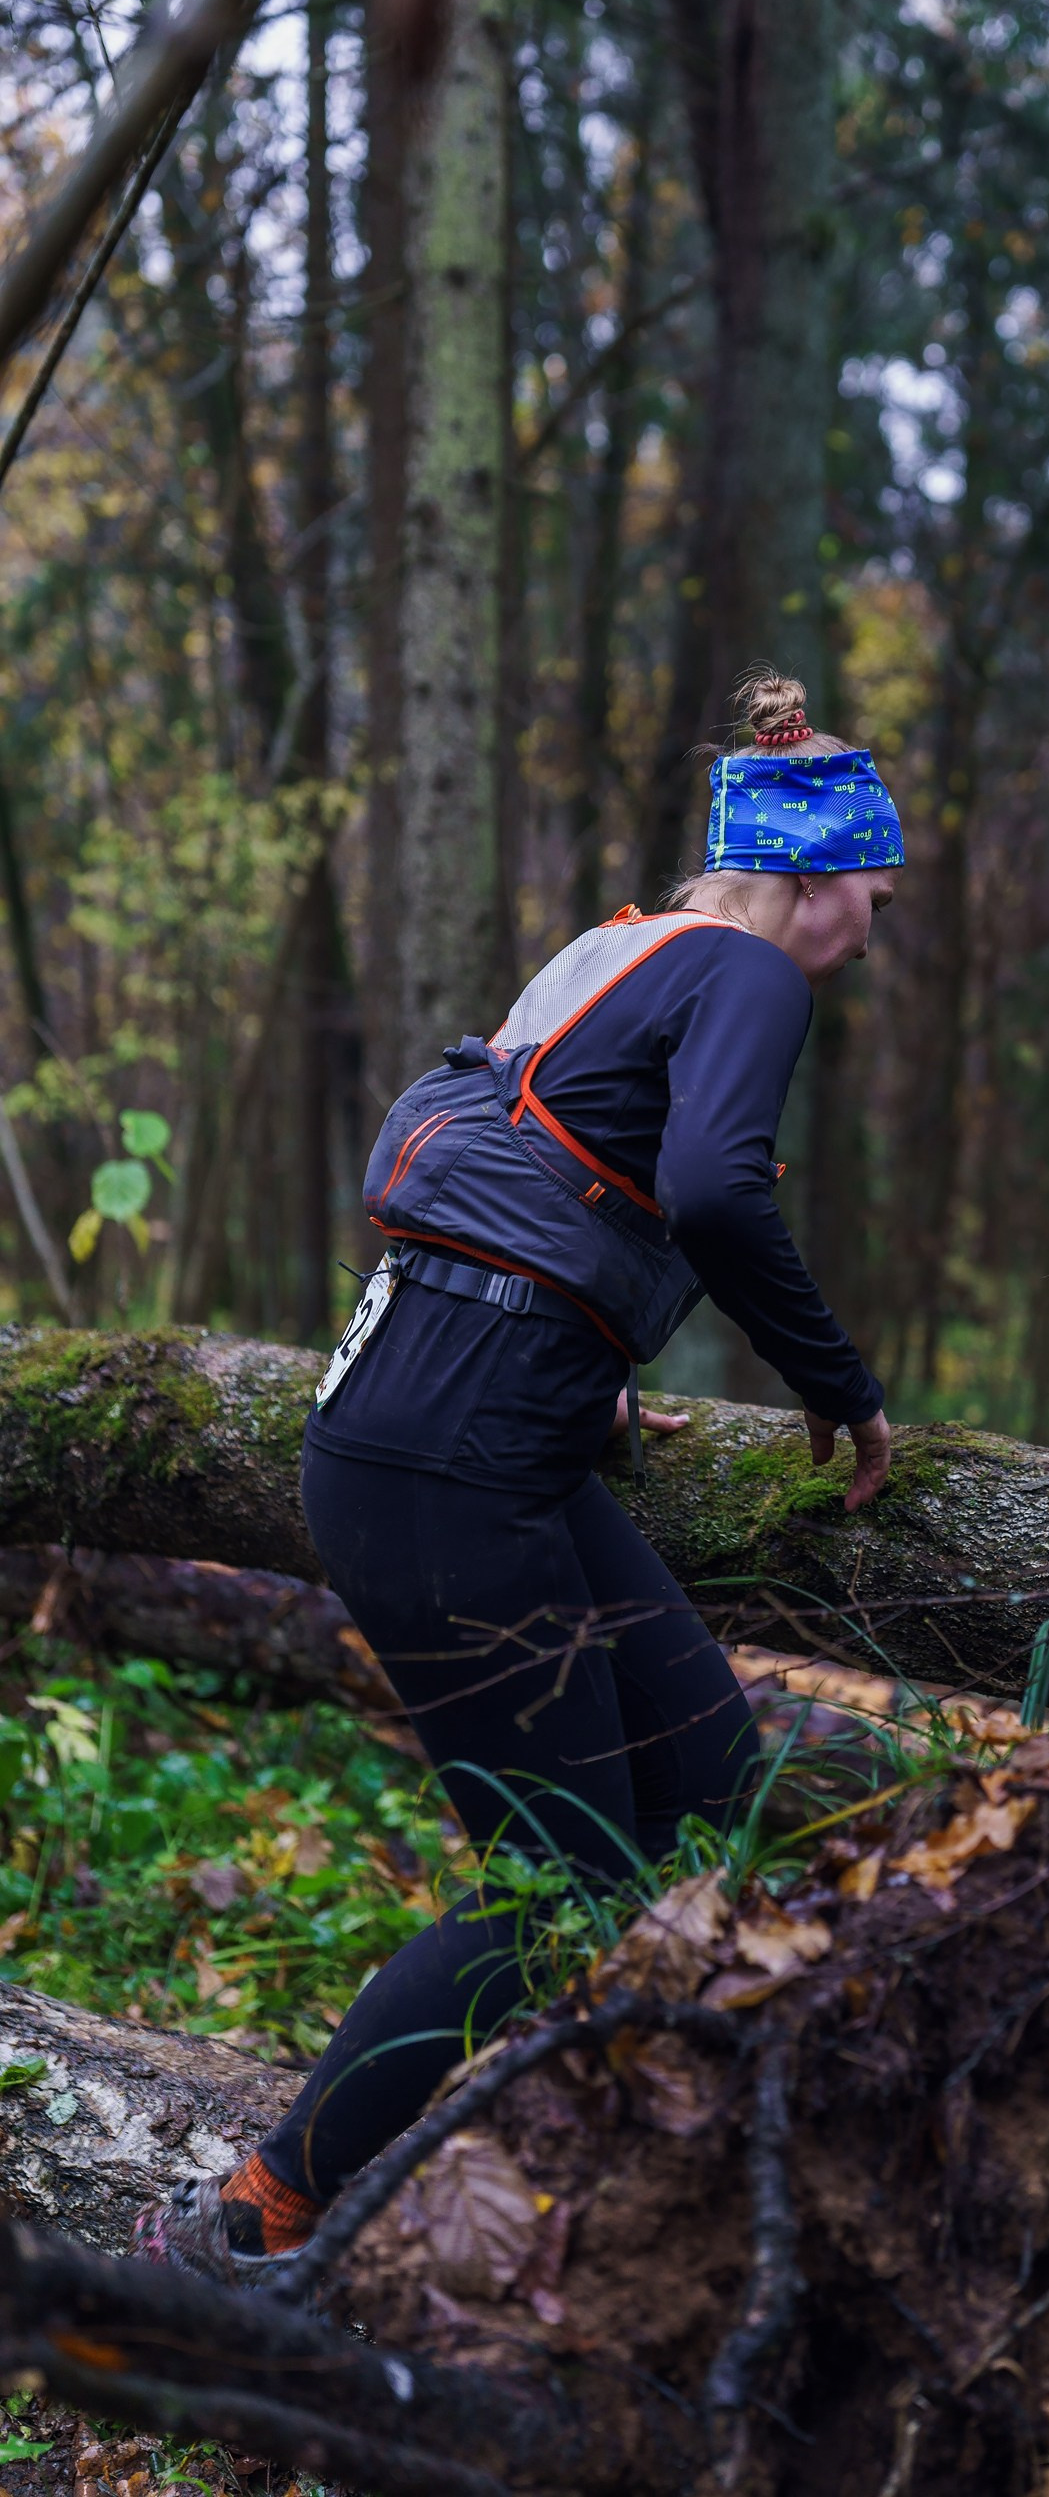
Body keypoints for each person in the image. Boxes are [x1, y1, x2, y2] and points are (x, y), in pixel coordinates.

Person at [137, 672, 899, 2272]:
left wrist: (585, 1364)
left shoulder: (611, 950)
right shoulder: (755, 975)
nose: (871, 938)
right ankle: (259, 2219)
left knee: (713, 1785)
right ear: (814, 881)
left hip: (460, 1426)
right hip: (454, 1460)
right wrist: (841, 1388)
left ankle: (711, 2162)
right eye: (872, 903)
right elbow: (707, 1189)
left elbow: (531, 1163)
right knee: (564, 1879)